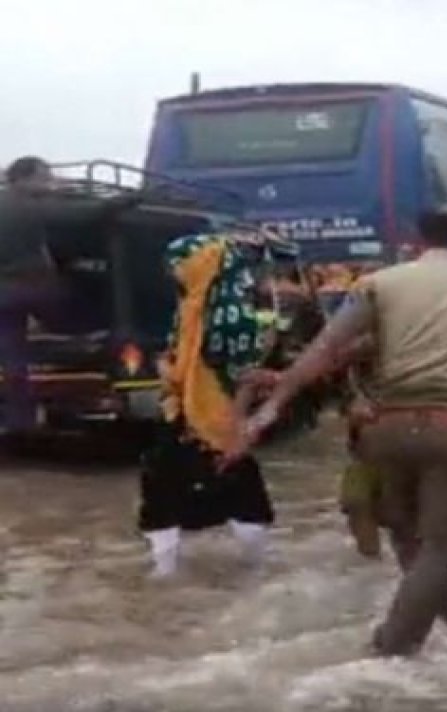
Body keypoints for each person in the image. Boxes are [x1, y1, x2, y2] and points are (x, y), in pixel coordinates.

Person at [228, 208, 447, 657]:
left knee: (406, 535)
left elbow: (327, 346)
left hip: (385, 427)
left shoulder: (381, 284)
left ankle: (440, 610)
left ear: (417, 239)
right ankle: (392, 650)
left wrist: (270, 409)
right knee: (440, 548)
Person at [136, 233, 279, 578]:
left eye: (179, 265)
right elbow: (181, 365)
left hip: (217, 419)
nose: (174, 272)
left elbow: (243, 376)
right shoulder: (190, 310)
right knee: (166, 490)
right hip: (182, 414)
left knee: (235, 490)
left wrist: (238, 426)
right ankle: (169, 569)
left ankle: (251, 567)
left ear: (203, 265)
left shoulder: (232, 319)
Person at [0, 156, 140, 431]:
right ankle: (92, 337)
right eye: (46, 178)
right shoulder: (31, 205)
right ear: (27, 179)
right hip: (35, 285)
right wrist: (128, 199)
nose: (51, 183)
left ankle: (20, 421)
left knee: (14, 358)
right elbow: (86, 214)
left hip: (3, 295)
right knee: (77, 307)